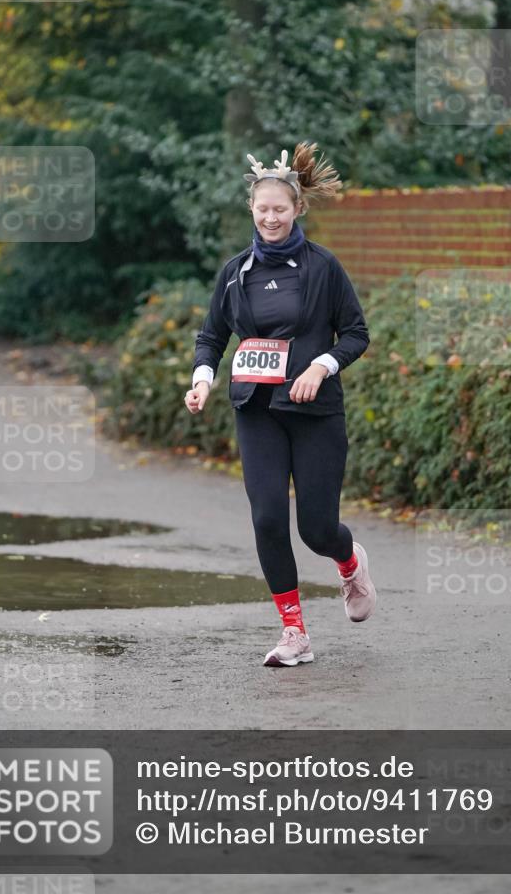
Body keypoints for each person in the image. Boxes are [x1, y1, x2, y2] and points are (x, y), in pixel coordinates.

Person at [184, 143, 376, 666]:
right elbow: (211, 337)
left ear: (297, 210)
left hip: (315, 414)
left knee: (316, 529)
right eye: (262, 209)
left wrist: (321, 366)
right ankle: (294, 633)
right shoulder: (234, 272)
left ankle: (348, 559)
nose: (271, 217)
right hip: (257, 411)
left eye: (280, 209)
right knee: (268, 519)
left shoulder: (322, 267)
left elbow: (356, 334)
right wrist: (203, 379)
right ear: (252, 208)